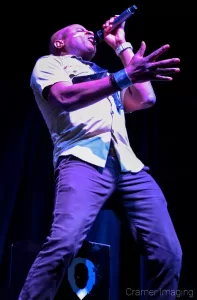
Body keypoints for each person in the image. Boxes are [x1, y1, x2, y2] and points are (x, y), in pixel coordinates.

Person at [18, 15, 182, 300]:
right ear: (60, 42)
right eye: (80, 31)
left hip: (129, 167)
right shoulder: (49, 64)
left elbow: (145, 99)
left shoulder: (104, 74)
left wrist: (121, 46)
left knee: (168, 252)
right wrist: (124, 76)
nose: (89, 33)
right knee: (64, 244)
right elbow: (64, 97)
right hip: (82, 160)